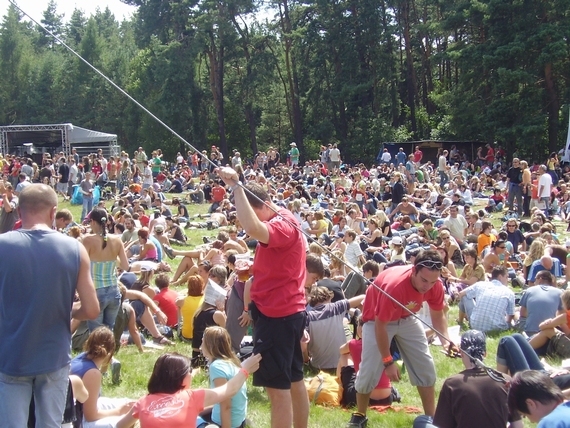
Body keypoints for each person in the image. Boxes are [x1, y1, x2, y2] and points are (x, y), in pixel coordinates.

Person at [0, 184, 99, 428]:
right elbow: (91, 310)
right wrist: (68, 310)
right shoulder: (75, 248)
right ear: (54, 212)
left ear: (19, 211)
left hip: (10, 355)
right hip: (53, 355)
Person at [217, 166, 309, 428]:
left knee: (276, 389)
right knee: (293, 379)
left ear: (266, 205)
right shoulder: (283, 218)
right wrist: (255, 268)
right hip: (286, 311)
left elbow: (254, 228)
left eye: (255, 215)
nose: (248, 226)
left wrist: (236, 187)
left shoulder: (281, 225)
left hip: (277, 315)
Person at [347, 249, 457, 428]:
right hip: (376, 320)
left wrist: (446, 341)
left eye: (432, 281)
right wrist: (388, 361)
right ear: (414, 271)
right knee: (368, 371)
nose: (427, 286)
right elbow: (380, 326)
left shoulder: (435, 285)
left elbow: (438, 315)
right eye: (423, 280)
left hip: (407, 317)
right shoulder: (395, 287)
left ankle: (432, 418)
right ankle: (360, 415)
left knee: (425, 366)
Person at [116, 352, 262, 427]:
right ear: (180, 377)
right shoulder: (191, 396)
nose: (192, 374)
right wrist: (245, 370)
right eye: (189, 371)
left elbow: (120, 425)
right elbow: (228, 390)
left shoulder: (143, 402)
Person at [413, 330, 522, 428]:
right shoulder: (505, 380)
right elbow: (518, 425)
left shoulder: (452, 384)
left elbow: (443, 425)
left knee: (421, 421)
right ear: (485, 354)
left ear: (461, 353)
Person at [70, 327, 134, 427]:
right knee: (124, 420)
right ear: (111, 352)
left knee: (129, 404)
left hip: (79, 409)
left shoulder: (82, 357)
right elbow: (90, 416)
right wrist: (118, 411)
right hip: (77, 421)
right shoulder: (93, 373)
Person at [82, 207, 130, 331]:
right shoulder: (117, 240)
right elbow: (125, 266)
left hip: (96, 291)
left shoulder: (87, 240)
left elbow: (80, 266)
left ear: (92, 221)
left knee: (95, 332)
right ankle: (109, 350)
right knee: (109, 330)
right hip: (114, 290)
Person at [197, 326, 251, 428]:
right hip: (239, 420)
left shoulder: (216, 367)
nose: (200, 347)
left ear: (210, 345)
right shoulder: (233, 362)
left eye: (203, 342)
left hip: (225, 423)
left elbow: (226, 404)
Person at [458, 266, 515, 333]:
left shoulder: (480, 285)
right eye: (506, 277)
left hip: (475, 326)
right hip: (498, 328)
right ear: (500, 277)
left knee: (465, 296)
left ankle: (460, 321)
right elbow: (510, 315)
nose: (508, 280)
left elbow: (461, 294)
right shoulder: (509, 292)